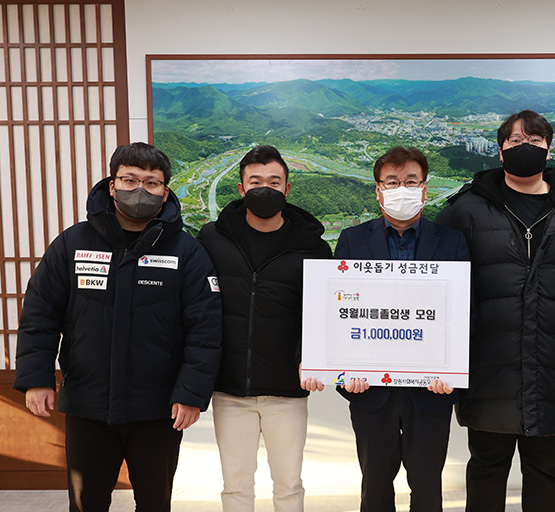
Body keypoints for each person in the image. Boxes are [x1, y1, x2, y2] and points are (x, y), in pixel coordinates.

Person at [13, 142, 223, 512]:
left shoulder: (186, 250)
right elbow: (40, 313)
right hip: (88, 403)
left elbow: (205, 327)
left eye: (152, 183)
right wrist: (36, 378)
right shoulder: (73, 243)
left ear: (165, 192)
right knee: (86, 503)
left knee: (155, 503)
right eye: (130, 180)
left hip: (159, 409)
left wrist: (191, 392)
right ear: (112, 185)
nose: (140, 190)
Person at [436, 110, 555, 511]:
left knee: (547, 470)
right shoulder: (466, 208)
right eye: (515, 141)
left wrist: (547, 308)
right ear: (500, 151)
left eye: (534, 140)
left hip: (554, 363)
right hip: (486, 363)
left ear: (549, 149)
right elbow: (442, 281)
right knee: (486, 467)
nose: (524, 147)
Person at [332, 146, 469, 512]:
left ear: (424, 189)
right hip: (369, 389)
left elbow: (464, 312)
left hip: (432, 389)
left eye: (411, 181)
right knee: (375, 487)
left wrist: (452, 370)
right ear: (378, 190)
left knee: (427, 487)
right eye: (392, 182)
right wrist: (345, 371)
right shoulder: (352, 240)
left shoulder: (452, 241)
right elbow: (338, 313)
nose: (401, 189)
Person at [198, 145, 331, 512]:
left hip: (287, 389)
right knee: (235, 486)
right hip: (229, 389)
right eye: (255, 182)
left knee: (289, 485)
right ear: (241, 188)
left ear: (287, 189)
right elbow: (196, 308)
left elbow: (323, 314)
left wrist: (312, 358)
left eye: (274, 182)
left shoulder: (314, 249)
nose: (265, 189)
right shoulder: (211, 240)